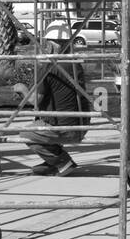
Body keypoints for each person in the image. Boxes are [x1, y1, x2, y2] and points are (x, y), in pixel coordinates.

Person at [19, 25, 90, 176]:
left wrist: (21, 88)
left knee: (26, 133)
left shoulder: (49, 67)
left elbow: (35, 101)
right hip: (82, 124)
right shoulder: (75, 64)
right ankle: (52, 162)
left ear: (52, 45)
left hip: (64, 128)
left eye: (46, 43)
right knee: (43, 121)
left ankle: (62, 162)